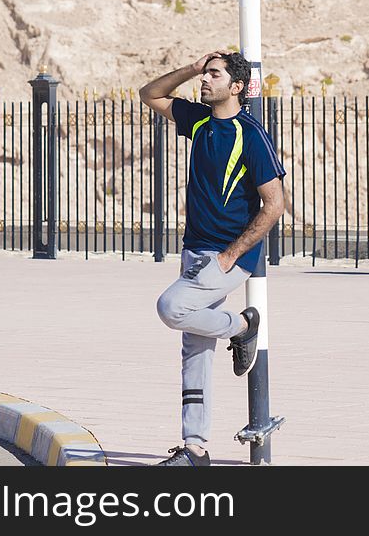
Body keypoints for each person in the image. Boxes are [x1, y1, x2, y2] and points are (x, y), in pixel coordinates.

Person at [139, 51, 286, 467]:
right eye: (204, 74)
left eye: (213, 75)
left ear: (236, 87)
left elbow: (274, 205)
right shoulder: (199, 120)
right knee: (194, 351)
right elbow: (149, 93)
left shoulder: (251, 135)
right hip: (193, 249)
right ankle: (195, 448)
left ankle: (242, 325)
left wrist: (231, 255)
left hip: (226, 257)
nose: (204, 81)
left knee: (171, 307)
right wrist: (189, 68)